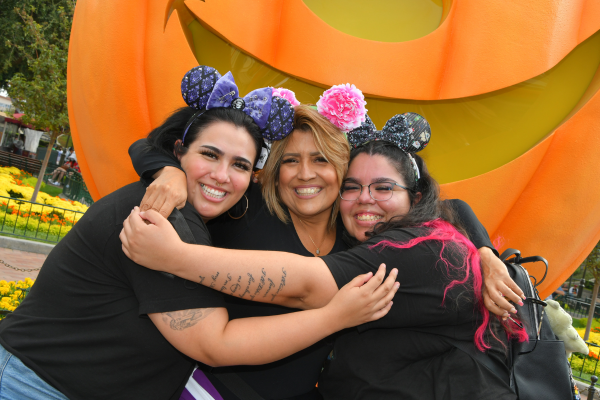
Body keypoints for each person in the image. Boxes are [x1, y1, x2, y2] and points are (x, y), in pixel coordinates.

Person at [0, 66, 397, 400]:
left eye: (240, 165)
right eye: (209, 155)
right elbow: (214, 342)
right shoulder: (160, 216)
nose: (222, 176)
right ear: (179, 152)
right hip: (33, 384)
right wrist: (335, 316)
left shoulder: (227, 210)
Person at [128, 88, 523, 399]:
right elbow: (154, 145)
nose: (305, 175)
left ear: (339, 168)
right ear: (273, 172)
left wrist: (484, 252)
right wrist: (168, 172)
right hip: (217, 390)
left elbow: (450, 207)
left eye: (321, 160)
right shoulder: (244, 207)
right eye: (290, 161)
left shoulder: (354, 231)